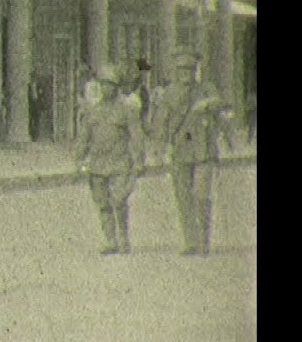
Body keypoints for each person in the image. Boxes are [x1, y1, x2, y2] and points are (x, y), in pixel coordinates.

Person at [153, 51, 225, 256]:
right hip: (180, 150)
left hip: (203, 151)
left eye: (190, 70)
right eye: (181, 70)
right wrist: (158, 150)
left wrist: (206, 104)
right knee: (183, 197)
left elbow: (220, 102)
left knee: (201, 196)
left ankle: (203, 241)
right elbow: (161, 122)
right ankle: (190, 241)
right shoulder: (169, 93)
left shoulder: (206, 89)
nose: (185, 74)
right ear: (175, 71)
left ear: (195, 71)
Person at [75, 66, 144, 255]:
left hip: (120, 162)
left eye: (111, 85)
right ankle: (110, 239)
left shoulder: (127, 109)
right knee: (102, 203)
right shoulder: (93, 111)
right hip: (98, 164)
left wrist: (138, 160)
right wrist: (79, 158)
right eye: (103, 85)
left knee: (119, 200)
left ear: (117, 87)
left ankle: (123, 237)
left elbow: (136, 136)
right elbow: (84, 137)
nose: (107, 89)